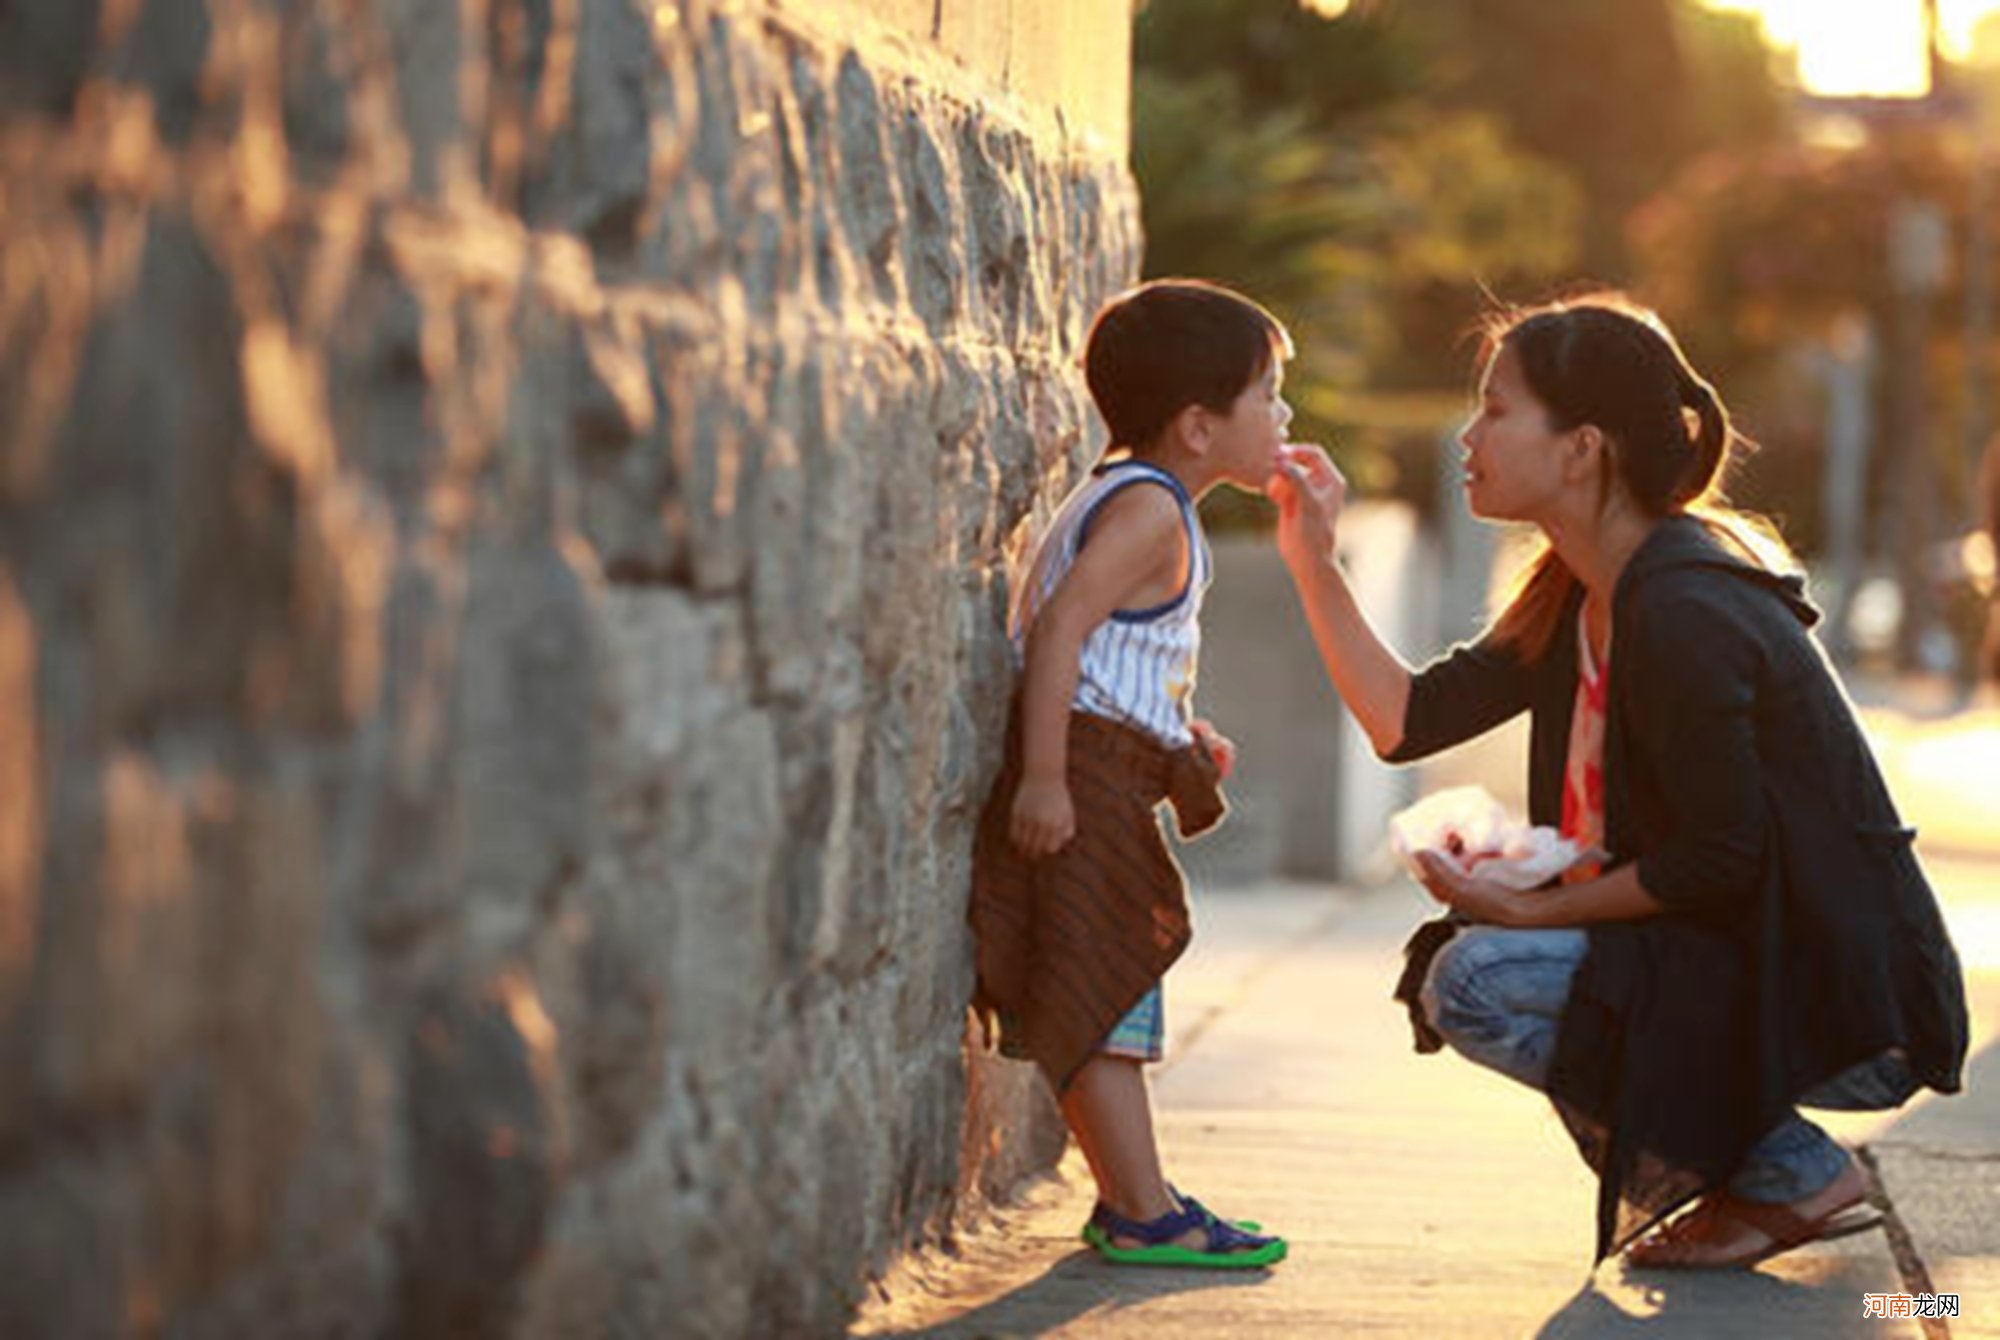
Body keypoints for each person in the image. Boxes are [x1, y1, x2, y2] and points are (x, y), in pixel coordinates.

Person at [1267, 293, 1968, 1268]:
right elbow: (1406, 720)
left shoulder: (1682, 607)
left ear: (1579, 446)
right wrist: (1310, 557)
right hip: (1732, 954)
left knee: (1473, 978)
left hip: (1839, 990)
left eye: (1495, 409)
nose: (1467, 436)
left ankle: (1788, 1172)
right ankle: (1757, 1179)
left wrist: (1525, 915)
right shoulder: (1575, 592)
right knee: (1456, 962)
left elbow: (1721, 858)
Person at [969, 279, 1292, 1269]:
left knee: (1096, 983)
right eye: (1269, 393)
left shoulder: (1131, 491)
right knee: (1107, 993)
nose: (1282, 414)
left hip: (1102, 760)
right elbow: (1061, 627)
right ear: (1198, 425)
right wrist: (1045, 777)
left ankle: (1134, 1195)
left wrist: (1175, 730)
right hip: (1084, 777)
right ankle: (1141, 1210)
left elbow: (1109, 651)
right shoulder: (1152, 510)